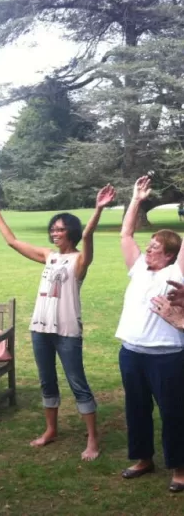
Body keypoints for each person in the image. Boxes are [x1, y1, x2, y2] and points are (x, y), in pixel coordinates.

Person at [0, 184, 116, 461]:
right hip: (40, 330)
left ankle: (92, 438)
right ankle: (51, 430)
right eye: (53, 229)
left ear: (71, 232)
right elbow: (13, 242)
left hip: (67, 332)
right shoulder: (48, 256)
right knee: (47, 381)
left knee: (77, 382)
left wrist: (98, 209)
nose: (54, 233)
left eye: (60, 229)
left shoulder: (80, 260)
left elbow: (88, 235)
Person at [116, 175, 184, 492]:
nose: (148, 249)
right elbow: (126, 234)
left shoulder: (176, 271)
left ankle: (179, 468)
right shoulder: (139, 268)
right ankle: (143, 459)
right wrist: (136, 199)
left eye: (155, 247)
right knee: (137, 409)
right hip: (131, 352)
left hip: (166, 356)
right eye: (150, 244)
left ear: (169, 255)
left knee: (173, 413)